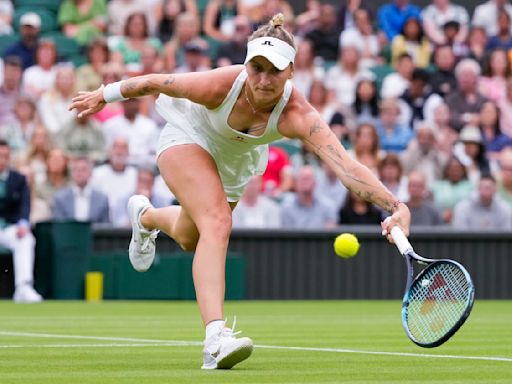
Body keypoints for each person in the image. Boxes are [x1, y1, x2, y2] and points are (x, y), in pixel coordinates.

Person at [69, 13, 411, 370]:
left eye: (274, 70)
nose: (263, 80)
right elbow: (157, 81)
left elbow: (347, 168)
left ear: (291, 71)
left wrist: (396, 204)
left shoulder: (297, 113)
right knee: (218, 222)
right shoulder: (221, 84)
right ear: (246, 64)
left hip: (234, 161)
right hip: (188, 136)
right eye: (256, 68)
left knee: (190, 237)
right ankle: (215, 338)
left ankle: (146, 216)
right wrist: (103, 95)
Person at [0, 140, 42, 303]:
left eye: (5, 156)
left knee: (26, 239)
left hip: (11, 228)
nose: (2, 160)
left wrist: (23, 223)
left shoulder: (18, 179)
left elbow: (25, 206)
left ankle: (23, 287)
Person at [53, 156, 110, 223]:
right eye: (75, 169)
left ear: (91, 173)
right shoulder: (60, 198)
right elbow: (59, 226)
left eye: (83, 169)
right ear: (71, 173)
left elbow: (105, 226)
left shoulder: (102, 199)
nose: (79, 173)